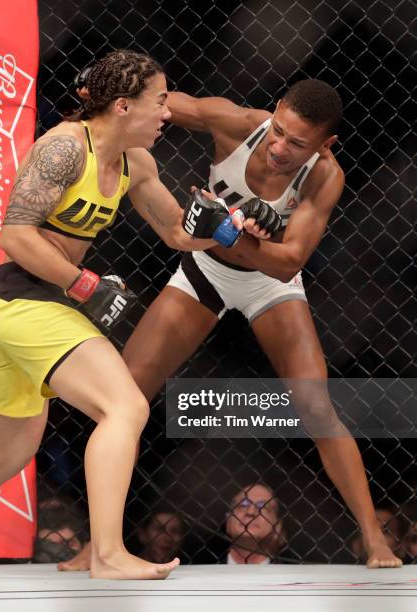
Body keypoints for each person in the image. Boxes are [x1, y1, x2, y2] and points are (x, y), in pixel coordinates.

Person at [0, 49, 222, 580]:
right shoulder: (63, 150)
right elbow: (15, 235)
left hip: (22, 310)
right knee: (126, 407)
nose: (167, 113)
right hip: (25, 303)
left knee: (9, 452)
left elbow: (179, 232)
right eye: (159, 101)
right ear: (123, 106)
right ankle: (107, 554)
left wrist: (225, 224)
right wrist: (84, 284)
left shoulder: (136, 163)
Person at [59, 78, 403, 571]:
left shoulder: (325, 176)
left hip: (270, 283)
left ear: (326, 145)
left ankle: (375, 541)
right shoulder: (237, 124)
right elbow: (159, 106)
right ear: (276, 109)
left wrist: (221, 230)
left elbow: (288, 262)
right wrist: (103, 105)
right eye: (279, 131)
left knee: (315, 406)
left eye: (298, 144)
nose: (281, 148)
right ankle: (99, 544)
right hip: (205, 270)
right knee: (126, 395)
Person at [224, 484, 286, 564]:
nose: (251, 512)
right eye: (243, 505)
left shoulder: (294, 574)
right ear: (228, 521)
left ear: (277, 527)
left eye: (262, 506)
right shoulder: (204, 566)